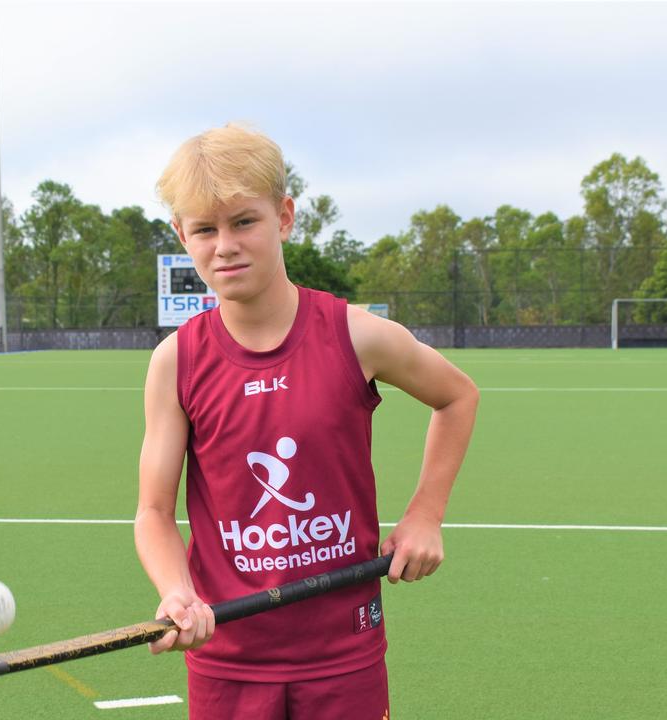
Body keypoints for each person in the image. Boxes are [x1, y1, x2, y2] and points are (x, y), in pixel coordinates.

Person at [135, 124, 479, 719]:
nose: (226, 245)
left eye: (245, 221)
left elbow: (457, 396)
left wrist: (426, 514)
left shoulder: (355, 334)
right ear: (181, 236)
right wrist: (177, 591)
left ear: (285, 217)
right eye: (205, 230)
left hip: (344, 650)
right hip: (228, 658)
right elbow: (154, 513)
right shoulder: (176, 362)